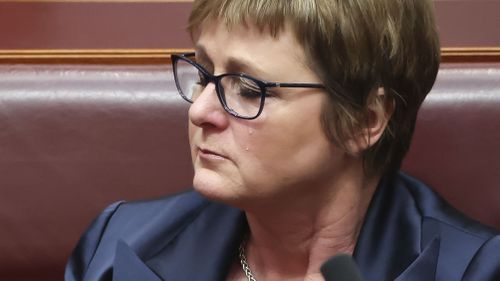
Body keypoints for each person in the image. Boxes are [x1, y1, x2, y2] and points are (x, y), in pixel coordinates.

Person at [65, 0, 500, 280]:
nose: (199, 111)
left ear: (364, 120)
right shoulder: (117, 244)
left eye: (248, 89)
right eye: (203, 74)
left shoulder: (473, 271)